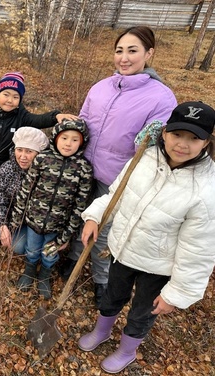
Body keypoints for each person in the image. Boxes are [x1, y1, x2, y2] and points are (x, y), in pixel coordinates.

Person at [77, 101, 215, 373]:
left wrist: (177, 294)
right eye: (177, 134)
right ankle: (102, 331)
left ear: (206, 142)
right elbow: (117, 193)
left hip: (157, 266)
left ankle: (127, 350)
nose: (182, 144)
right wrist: (94, 216)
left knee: (142, 311)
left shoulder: (206, 190)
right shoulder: (144, 158)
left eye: (193, 138)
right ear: (164, 133)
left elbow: (199, 250)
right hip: (122, 249)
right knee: (112, 295)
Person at [61, 26, 178, 307]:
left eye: (132, 50)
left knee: (102, 230)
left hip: (117, 178)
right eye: (119, 50)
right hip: (83, 169)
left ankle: (101, 277)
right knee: (79, 216)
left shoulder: (161, 97)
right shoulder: (101, 87)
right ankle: (73, 259)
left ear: (149, 53)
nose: (124, 58)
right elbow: (85, 122)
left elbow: (155, 147)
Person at [0, 72, 77, 237]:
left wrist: (55, 116)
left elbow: (39, 120)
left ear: (20, 100)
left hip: (6, 166)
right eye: (6, 94)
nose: (9, 100)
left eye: (15, 97)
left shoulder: (22, 116)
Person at [11, 119, 93, 299]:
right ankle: (29, 270)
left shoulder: (83, 169)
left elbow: (80, 205)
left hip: (58, 226)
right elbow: (26, 190)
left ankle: (44, 275)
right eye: (64, 138)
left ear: (82, 143)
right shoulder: (42, 159)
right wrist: (16, 219)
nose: (68, 143)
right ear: (56, 138)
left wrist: (67, 235)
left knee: (49, 253)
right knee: (32, 249)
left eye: (74, 140)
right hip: (34, 221)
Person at [0, 127, 49, 253]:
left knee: (18, 248)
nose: (23, 156)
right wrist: (2, 225)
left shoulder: (45, 174)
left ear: (38, 154)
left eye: (29, 151)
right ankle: (0, 233)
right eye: (19, 150)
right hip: (7, 214)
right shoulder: (7, 168)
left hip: (27, 222)